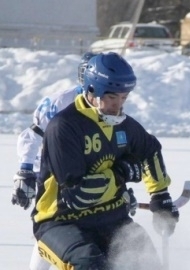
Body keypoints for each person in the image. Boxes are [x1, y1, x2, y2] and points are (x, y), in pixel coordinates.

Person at [29, 52, 177, 269]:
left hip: (112, 218)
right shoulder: (64, 127)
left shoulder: (123, 125)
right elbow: (78, 194)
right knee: (90, 263)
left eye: (123, 98)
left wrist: (160, 195)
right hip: (61, 221)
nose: (117, 106)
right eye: (111, 97)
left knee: (146, 263)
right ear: (92, 91)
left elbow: (150, 149)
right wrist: (123, 173)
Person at [11, 52, 131, 270]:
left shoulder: (108, 100)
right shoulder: (62, 102)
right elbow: (32, 135)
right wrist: (26, 170)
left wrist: (118, 191)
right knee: (55, 223)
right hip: (53, 173)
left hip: (85, 171)